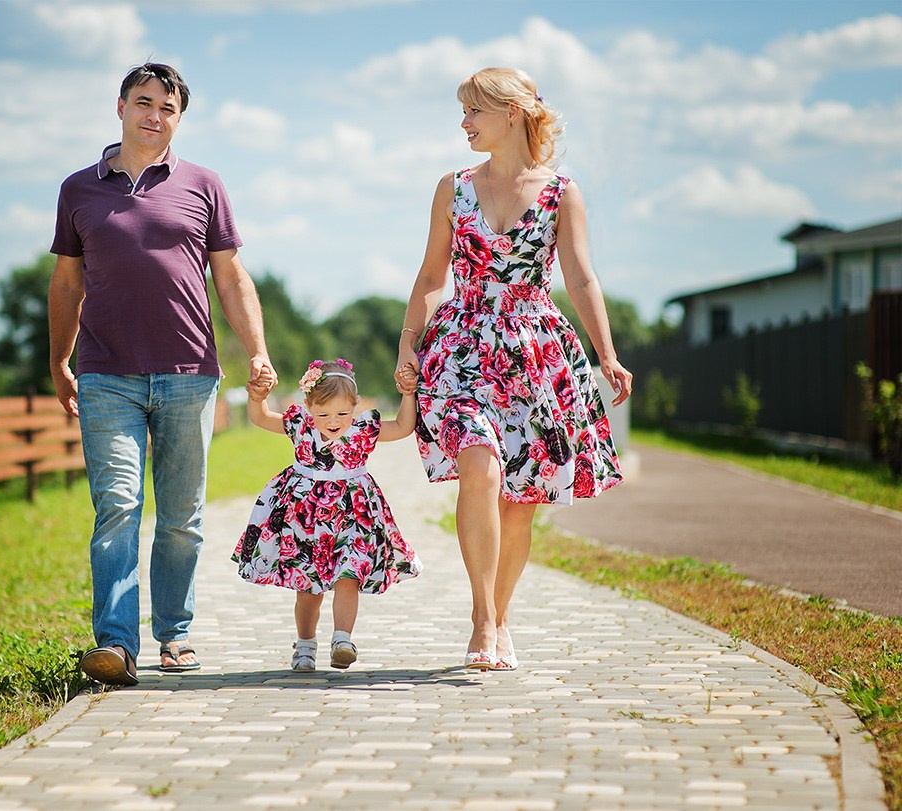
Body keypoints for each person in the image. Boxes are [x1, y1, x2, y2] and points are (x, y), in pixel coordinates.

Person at [394, 67, 632, 672]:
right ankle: (480, 619)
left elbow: (579, 276)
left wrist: (606, 353)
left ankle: (502, 619)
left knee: (520, 499)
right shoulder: (452, 188)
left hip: (536, 353)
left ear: (513, 114)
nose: (465, 123)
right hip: (462, 346)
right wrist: (408, 347)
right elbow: (430, 277)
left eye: (475, 110)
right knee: (478, 462)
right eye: (463, 112)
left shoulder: (561, 192)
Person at [49, 62, 277, 687]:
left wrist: (256, 349)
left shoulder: (204, 184)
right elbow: (67, 282)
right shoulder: (79, 189)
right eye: (143, 102)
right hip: (106, 375)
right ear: (119, 106)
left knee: (180, 516)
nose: (154, 115)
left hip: (189, 373)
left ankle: (174, 634)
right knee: (118, 506)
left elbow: (230, 275)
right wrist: (58, 361)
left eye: (167, 108)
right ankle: (117, 645)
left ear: (180, 118)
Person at [234, 359, 423, 672]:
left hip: (353, 516)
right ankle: (305, 645)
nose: (333, 421)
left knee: (349, 575)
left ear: (354, 406)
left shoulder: (364, 430)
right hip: (305, 521)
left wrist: (407, 395)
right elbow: (262, 417)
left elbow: (403, 427)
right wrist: (257, 397)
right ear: (308, 406)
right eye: (323, 414)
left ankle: (342, 640)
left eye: (341, 413)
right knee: (308, 588)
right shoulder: (299, 425)